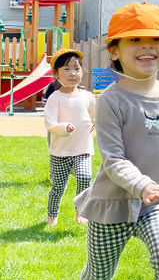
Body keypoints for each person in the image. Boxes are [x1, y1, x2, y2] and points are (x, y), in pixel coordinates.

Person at [73, 2, 159, 280]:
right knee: (98, 275)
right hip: (111, 203)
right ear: (114, 50)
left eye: (155, 39)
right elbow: (113, 159)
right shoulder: (110, 100)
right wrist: (143, 185)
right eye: (135, 39)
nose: (147, 46)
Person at [44, 48, 95, 226]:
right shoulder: (55, 99)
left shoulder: (88, 96)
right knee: (58, 187)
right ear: (56, 73)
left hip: (83, 149)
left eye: (76, 68)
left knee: (85, 177)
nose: (72, 73)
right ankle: (52, 216)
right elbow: (50, 124)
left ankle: (81, 211)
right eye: (66, 69)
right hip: (60, 152)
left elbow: (95, 116)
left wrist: (98, 124)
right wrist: (64, 127)